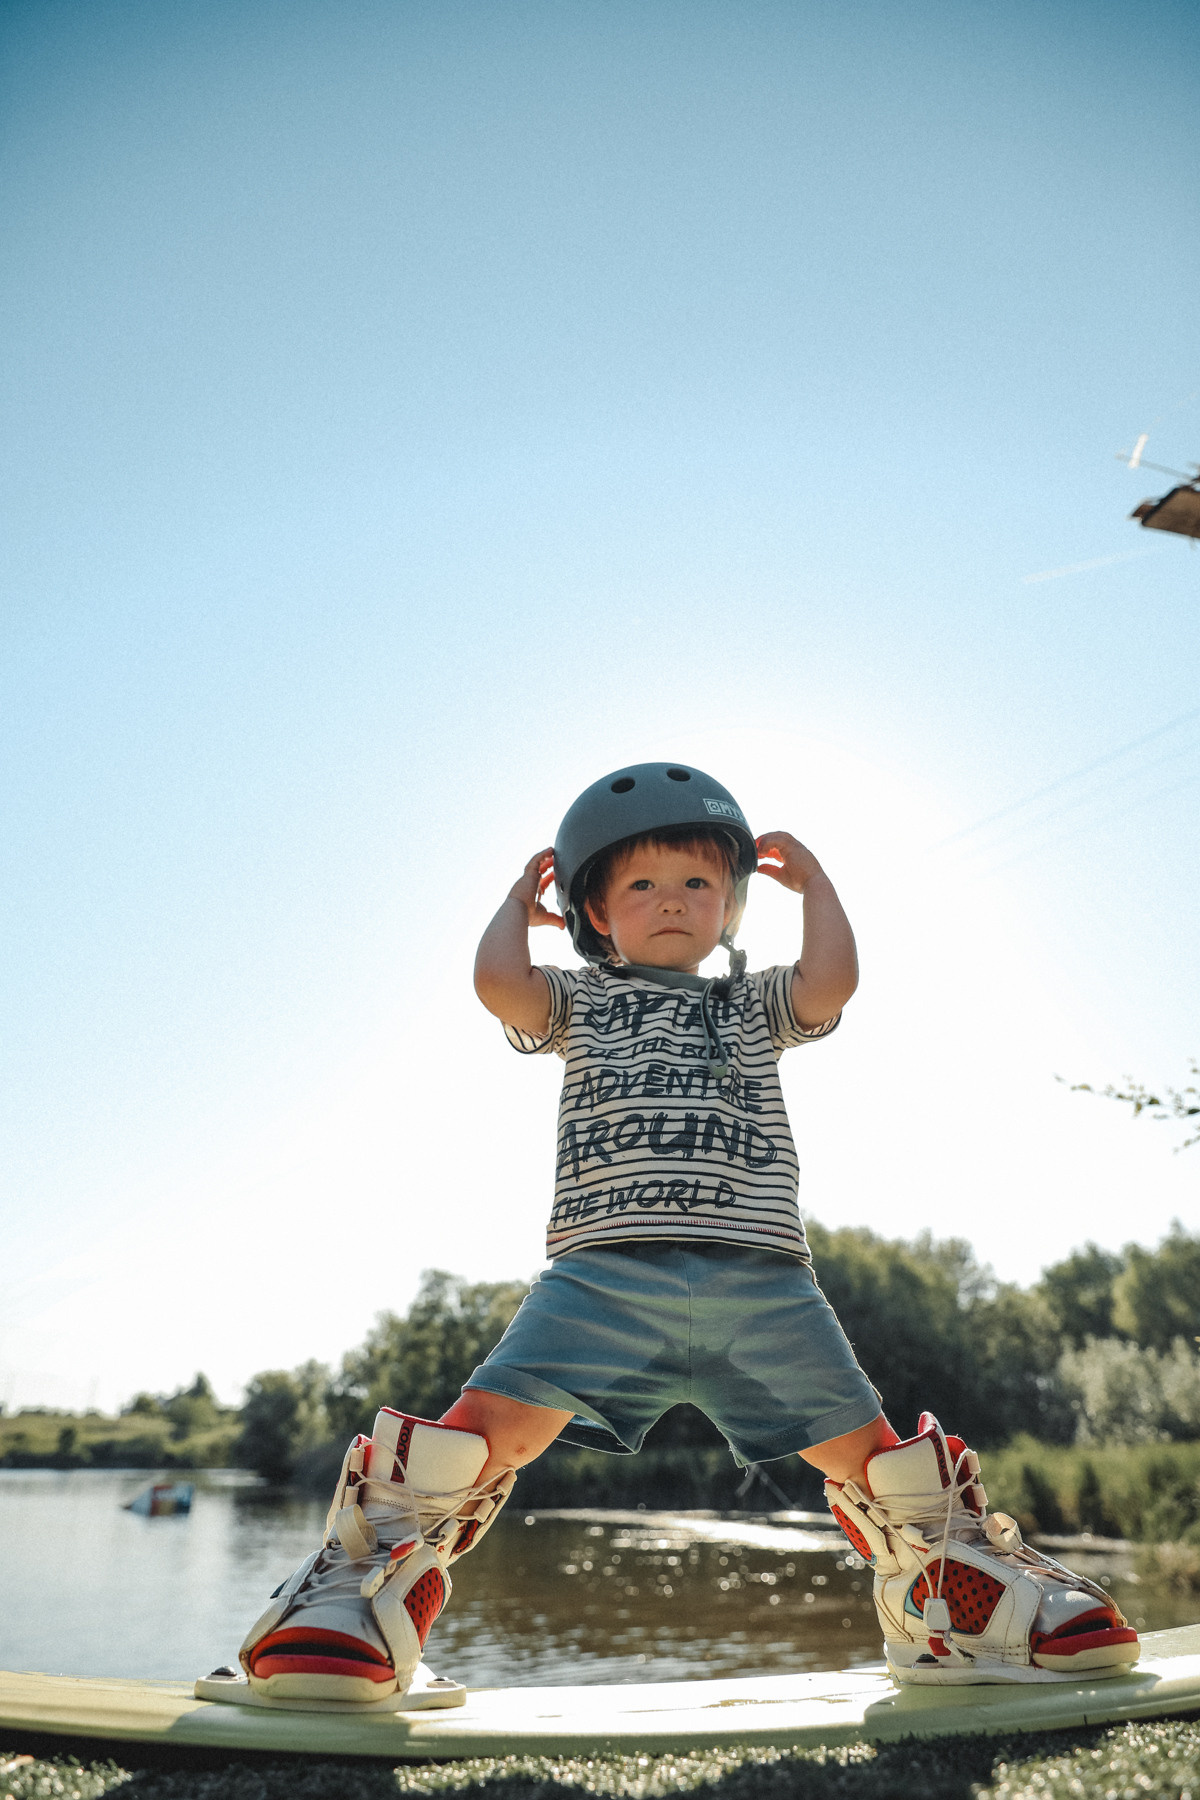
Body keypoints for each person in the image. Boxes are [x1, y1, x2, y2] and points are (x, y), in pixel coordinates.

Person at [235, 762, 1139, 1704]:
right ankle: (358, 1596)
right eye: (640, 885)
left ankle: (957, 1608)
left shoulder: (749, 1006)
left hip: (764, 1285)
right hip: (602, 1281)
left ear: (732, 906)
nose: (672, 900)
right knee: (474, 1441)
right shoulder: (581, 1002)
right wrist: (514, 900)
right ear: (594, 913)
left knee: (881, 1461)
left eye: (698, 883)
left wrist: (819, 889)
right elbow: (498, 983)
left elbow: (832, 982)